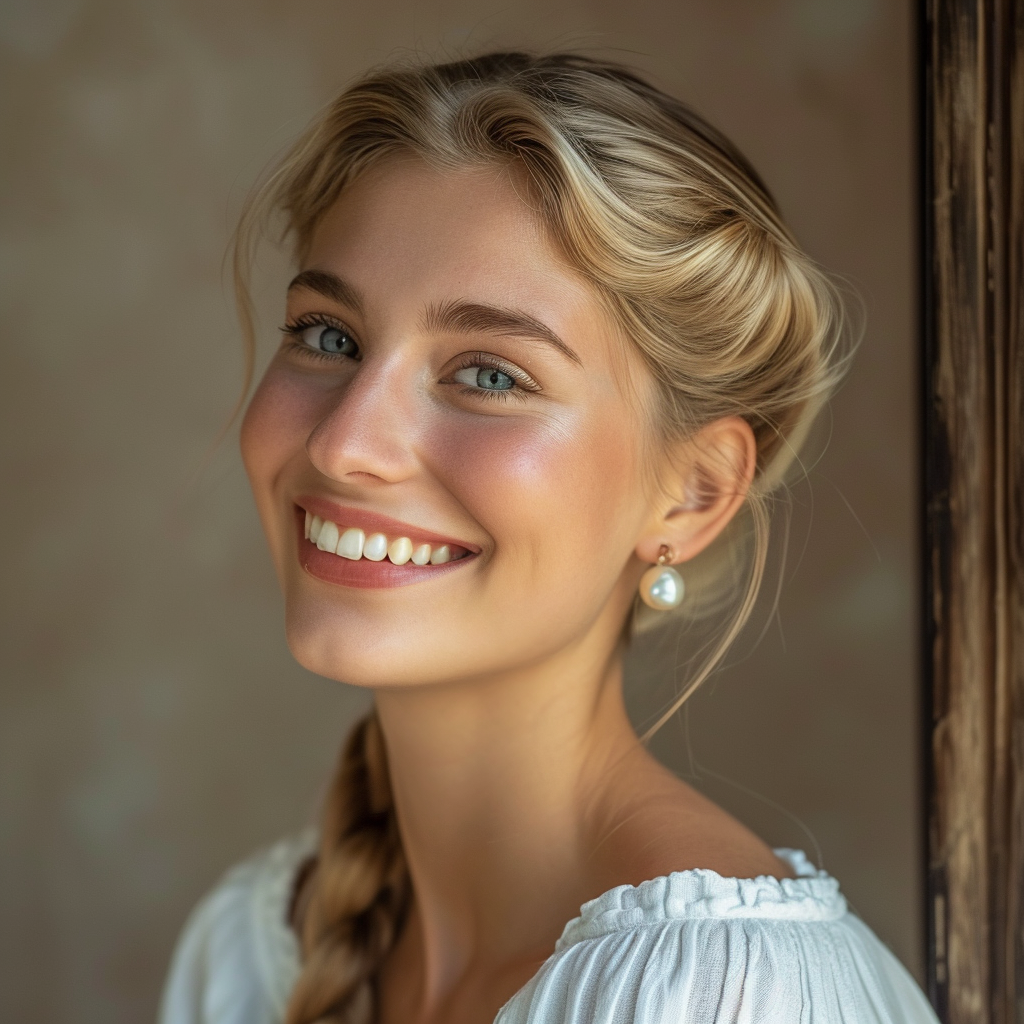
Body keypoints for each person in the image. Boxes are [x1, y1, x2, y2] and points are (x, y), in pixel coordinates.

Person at [158, 51, 938, 1024]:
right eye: (329, 336)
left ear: (691, 495)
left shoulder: (727, 995)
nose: (346, 443)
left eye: (488, 374)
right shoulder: (241, 951)